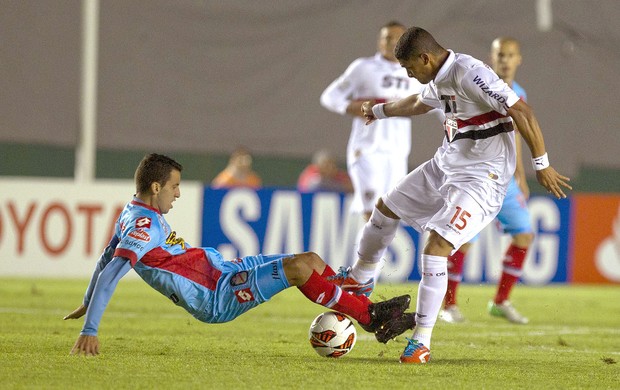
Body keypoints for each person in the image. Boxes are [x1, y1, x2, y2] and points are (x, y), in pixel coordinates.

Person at [331, 27, 571, 364]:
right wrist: (380, 110)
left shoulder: (471, 73)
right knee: (384, 209)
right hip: (445, 165)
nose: (407, 73)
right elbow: (418, 102)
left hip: (481, 179)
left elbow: (523, 112)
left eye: (409, 67)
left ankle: (421, 342)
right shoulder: (438, 76)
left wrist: (541, 164)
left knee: (436, 247)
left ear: (425, 58)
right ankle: (359, 280)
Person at [63, 153, 415, 356]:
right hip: (214, 295)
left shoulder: (132, 213)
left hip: (222, 270)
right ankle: (370, 317)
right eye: (174, 187)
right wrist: (91, 327)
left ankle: (360, 301)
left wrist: (85, 298)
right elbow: (113, 270)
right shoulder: (143, 225)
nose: (178, 194)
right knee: (297, 270)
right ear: (156, 187)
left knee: (308, 259)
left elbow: (103, 259)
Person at [439, 37, 534, 325]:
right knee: (463, 241)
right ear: (492, 58)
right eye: (500, 55)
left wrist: (520, 172)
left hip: (506, 181)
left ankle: (500, 301)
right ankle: (449, 304)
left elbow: (515, 133)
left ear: (519, 59)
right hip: (478, 176)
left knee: (524, 234)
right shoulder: (478, 85)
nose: (504, 60)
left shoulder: (518, 93)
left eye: (510, 55)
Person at [320, 21, 426, 221]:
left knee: (390, 213)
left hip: (397, 152)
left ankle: (376, 253)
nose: (392, 42)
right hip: (367, 148)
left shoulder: (416, 73)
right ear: (380, 41)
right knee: (370, 210)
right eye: (387, 38)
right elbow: (330, 96)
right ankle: (365, 254)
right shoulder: (364, 67)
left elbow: (434, 103)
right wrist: (356, 107)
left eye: (398, 38)